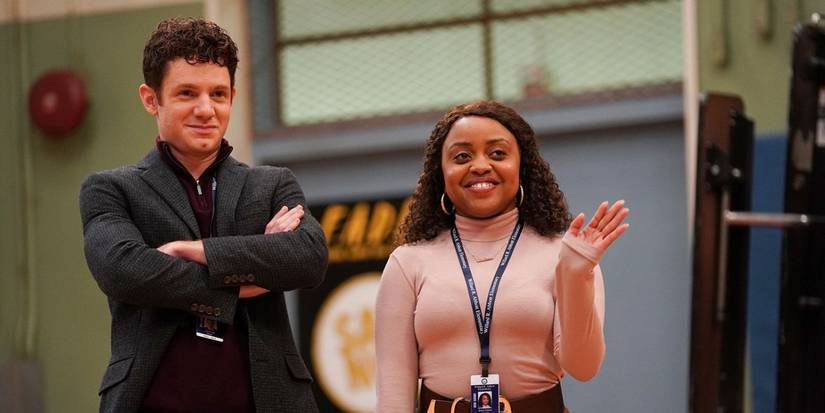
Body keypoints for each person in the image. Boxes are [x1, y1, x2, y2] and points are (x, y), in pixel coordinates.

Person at [79, 18, 327, 413]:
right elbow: (123, 269)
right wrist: (251, 273)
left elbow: (307, 258)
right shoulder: (111, 189)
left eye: (218, 93)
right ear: (151, 98)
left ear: (232, 95)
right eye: (187, 93)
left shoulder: (273, 184)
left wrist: (192, 250)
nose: (206, 109)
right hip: (153, 400)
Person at [375, 101, 628, 412]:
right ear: (440, 173)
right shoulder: (408, 262)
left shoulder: (565, 255)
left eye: (497, 153)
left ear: (522, 168)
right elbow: (392, 393)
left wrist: (576, 274)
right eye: (462, 156)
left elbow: (583, 367)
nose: (480, 166)